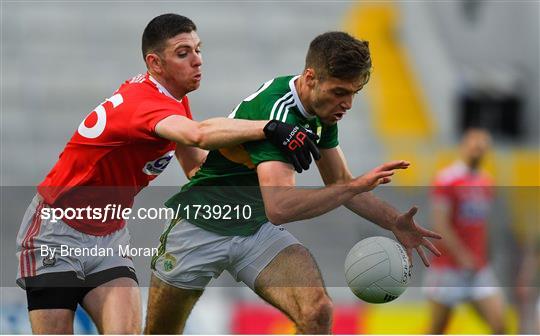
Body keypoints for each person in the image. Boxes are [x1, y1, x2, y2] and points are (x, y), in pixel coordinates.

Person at [15, 13, 319, 334]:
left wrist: (256, 170)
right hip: (56, 231)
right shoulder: (145, 103)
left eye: (198, 50)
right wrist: (269, 128)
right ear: (155, 63)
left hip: (109, 236)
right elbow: (199, 134)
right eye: (183, 53)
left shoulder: (173, 100)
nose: (198, 61)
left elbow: (196, 167)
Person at [145, 31, 442, 334]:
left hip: (255, 229)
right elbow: (281, 206)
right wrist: (350, 187)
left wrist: (393, 221)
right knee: (161, 332)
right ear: (311, 78)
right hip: (202, 226)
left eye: (354, 93)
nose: (348, 103)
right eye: (340, 92)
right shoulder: (278, 112)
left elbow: (340, 182)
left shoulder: (322, 112)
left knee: (317, 311)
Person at [424, 129, 506, 334]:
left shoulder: (486, 181)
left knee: (499, 325)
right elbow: (440, 223)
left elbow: (482, 225)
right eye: (474, 145)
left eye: (483, 147)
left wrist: (484, 255)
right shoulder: (447, 179)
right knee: (436, 329)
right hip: (448, 268)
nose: (478, 150)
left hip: (478, 269)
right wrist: (462, 255)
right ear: (463, 147)